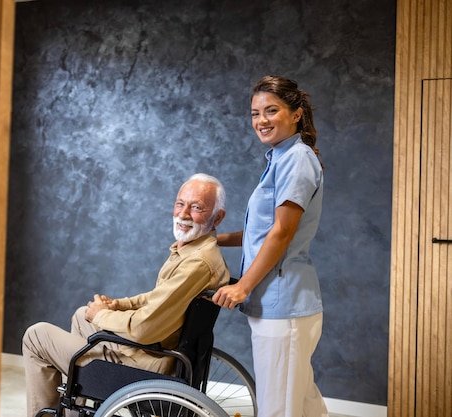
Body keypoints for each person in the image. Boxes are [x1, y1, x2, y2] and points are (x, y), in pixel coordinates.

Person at [22, 173, 230, 417]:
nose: (183, 214)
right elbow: (157, 299)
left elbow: (144, 328)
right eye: (180, 204)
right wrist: (117, 305)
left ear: (217, 217)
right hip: (153, 350)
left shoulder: (196, 263)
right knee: (82, 316)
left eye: (197, 208)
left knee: (36, 336)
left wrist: (102, 316)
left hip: (148, 364)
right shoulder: (196, 251)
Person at [212, 75, 328, 417]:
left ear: (296, 113)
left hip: (284, 305)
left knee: (279, 409)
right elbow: (260, 232)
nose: (261, 120)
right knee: (303, 404)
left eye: (271, 110)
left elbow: (281, 233)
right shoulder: (280, 158)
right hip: (277, 305)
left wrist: (242, 287)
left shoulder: (296, 159)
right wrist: (212, 240)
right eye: (254, 113)